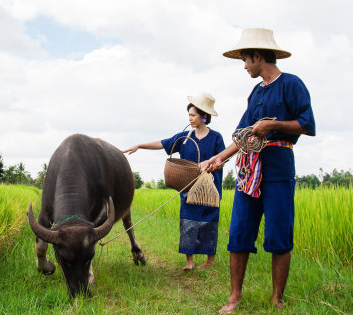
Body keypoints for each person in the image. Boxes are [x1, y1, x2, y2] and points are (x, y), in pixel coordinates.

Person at [203, 28, 315, 314]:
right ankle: (234, 297)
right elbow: (242, 136)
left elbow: (306, 124)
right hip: (249, 171)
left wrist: (272, 125)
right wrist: (219, 157)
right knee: (239, 232)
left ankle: (277, 298)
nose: (244, 66)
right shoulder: (256, 92)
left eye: (245, 60)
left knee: (279, 236)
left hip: (278, 167)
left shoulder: (291, 84)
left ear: (257, 56)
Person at [122, 93, 226, 271]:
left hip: (210, 188)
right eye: (189, 116)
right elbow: (163, 144)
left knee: (209, 222)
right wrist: (139, 145)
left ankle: (209, 261)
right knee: (188, 222)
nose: (190, 119)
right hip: (188, 188)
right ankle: (189, 261)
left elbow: (222, 159)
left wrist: (213, 166)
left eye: (193, 115)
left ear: (204, 116)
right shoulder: (185, 138)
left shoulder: (216, 138)